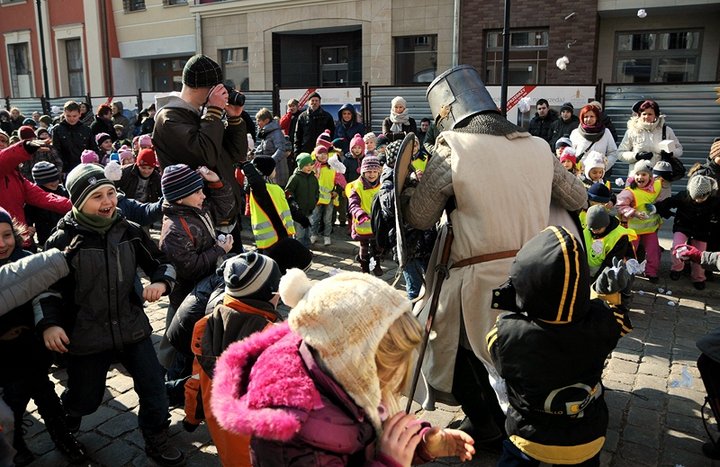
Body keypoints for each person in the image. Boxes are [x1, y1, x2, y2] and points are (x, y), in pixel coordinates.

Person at [400, 65, 587, 445]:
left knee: (444, 344)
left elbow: (419, 216)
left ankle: (486, 423)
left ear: (446, 114)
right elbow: (578, 198)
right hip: (539, 275)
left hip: (477, 280)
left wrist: (403, 186)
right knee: (524, 352)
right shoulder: (538, 146)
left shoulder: (453, 147)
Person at [211, 268, 476, 466]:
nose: (392, 390)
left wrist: (422, 444)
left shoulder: (343, 376)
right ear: (354, 361)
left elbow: (376, 432)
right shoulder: (292, 438)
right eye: (389, 373)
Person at [36, 164, 186, 466]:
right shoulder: (64, 239)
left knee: (154, 386)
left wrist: (160, 281)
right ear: (78, 201)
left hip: (132, 328)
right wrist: (50, 324)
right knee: (86, 398)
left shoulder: (128, 229)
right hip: (87, 335)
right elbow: (46, 290)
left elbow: (161, 261)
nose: (107, 202)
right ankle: (70, 416)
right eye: (96, 196)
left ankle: (156, 436)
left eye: (110, 193)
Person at [489, 226, 633, 466]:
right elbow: (619, 324)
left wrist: (517, 306)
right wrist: (610, 298)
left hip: (528, 437)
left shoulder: (506, 333)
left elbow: (496, 354)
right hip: (585, 437)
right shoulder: (602, 322)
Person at [0, 208, 86, 466]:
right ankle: (15, 445)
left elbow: (43, 295)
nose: (1, 243)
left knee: (47, 396)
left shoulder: (27, 259)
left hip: (31, 348)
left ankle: (63, 437)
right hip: (3, 357)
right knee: (13, 402)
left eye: (7, 235)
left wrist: (49, 325)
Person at [183, 252, 282, 466]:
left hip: (227, 439)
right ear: (270, 294)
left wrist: (192, 418)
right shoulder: (275, 340)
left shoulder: (204, 326)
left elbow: (195, 381)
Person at [153, 54, 248, 247]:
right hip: (198, 222)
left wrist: (235, 119)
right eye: (217, 88)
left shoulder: (202, 117)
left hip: (224, 216)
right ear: (206, 88)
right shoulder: (170, 119)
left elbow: (238, 155)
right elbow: (206, 157)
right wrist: (213, 112)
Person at [0, 140, 72, 249]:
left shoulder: (16, 176)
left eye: (3, 140)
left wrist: (79, 206)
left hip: (20, 241)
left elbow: (44, 197)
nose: (1, 143)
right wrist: (25, 147)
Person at [656, 175, 719, 290]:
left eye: (701, 198)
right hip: (683, 225)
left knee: (700, 254)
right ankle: (677, 268)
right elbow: (668, 202)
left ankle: (698, 277)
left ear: (708, 193)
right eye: (695, 197)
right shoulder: (683, 196)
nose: (697, 200)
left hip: (702, 230)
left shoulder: (714, 200)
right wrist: (660, 209)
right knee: (677, 247)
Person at [615, 160, 663, 283]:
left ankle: (651, 273)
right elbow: (620, 206)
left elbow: (660, 187)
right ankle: (625, 272)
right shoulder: (629, 192)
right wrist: (634, 213)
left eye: (644, 174)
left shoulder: (656, 186)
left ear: (650, 176)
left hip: (650, 229)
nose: (640, 177)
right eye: (638, 174)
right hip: (633, 230)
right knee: (629, 252)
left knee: (653, 251)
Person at [618, 99, 683, 177]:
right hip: (638, 178)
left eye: (650, 114)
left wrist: (671, 153)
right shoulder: (632, 131)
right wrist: (636, 156)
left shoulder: (666, 130)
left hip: (660, 178)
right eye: (644, 114)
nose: (647, 117)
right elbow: (620, 153)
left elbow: (679, 149)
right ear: (639, 115)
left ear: (656, 115)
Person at [348, 155, 383, 275]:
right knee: (365, 249)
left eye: (375, 171)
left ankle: (376, 263)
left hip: (377, 223)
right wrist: (360, 214)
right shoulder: (357, 187)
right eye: (369, 171)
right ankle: (365, 270)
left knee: (377, 247)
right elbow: (353, 204)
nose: (372, 174)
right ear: (363, 171)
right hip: (363, 224)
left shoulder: (382, 185)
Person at [583, 205, 636, 281]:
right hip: (587, 270)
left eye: (598, 229)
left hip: (607, 272)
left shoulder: (620, 236)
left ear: (606, 224)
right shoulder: (586, 231)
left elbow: (612, 261)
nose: (594, 231)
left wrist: (597, 280)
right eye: (591, 228)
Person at [24, 161, 70, 246]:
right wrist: (28, 225)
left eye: (56, 179)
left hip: (65, 235)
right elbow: (28, 214)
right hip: (45, 237)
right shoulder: (35, 197)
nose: (54, 183)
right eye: (49, 181)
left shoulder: (64, 192)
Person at [52, 101, 97, 174]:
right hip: (66, 169)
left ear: (79, 114)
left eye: (74, 116)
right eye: (68, 116)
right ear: (64, 114)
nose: (72, 119)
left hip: (85, 167)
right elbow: (56, 151)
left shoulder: (86, 129)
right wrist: (61, 168)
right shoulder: (58, 130)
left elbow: (93, 148)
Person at [569, 104, 618, 172]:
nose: (589, 119)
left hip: (598, 175)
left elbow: (613, 153)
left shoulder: (606, 132)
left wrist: (603, 167)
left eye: (592, 116)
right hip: (579, 174)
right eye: (586, 117)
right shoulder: (575, 133)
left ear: (597, 117)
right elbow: (570, 153)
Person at [285, 153, 319, 248]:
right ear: (300, 166)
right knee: (299, 234)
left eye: (310, 165)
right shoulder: (295, 178)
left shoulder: (313, 178)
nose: (309, 167)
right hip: (298, 213)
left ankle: (306, 250)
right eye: (306, 165)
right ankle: (298, 252)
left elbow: (317, 191)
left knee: (308, 233)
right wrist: (293, 203)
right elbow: (288, 191)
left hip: (310, 210)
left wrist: (315, 200)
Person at [254, 108, 289, 187]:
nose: (257, 123)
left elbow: (281, 149)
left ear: (266, 120)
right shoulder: (267, 133)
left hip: (277, 173)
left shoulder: (276, 133)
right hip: (270, 173)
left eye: (259, 121)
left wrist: (270, 162)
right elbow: (263, 148)